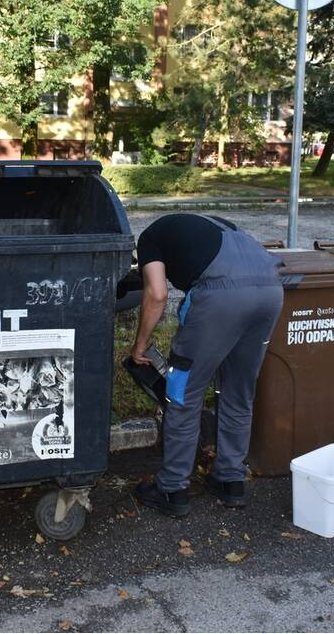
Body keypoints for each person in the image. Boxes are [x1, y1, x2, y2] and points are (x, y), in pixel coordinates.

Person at [130, 213, 283, 517]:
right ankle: (231, 481)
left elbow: (157, 294)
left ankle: (172, 489)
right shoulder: (213, 223)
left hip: (221, 297)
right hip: (271, 292)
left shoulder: (149, 238)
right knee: (238, 392)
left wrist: (140, 343)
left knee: (182, 393)